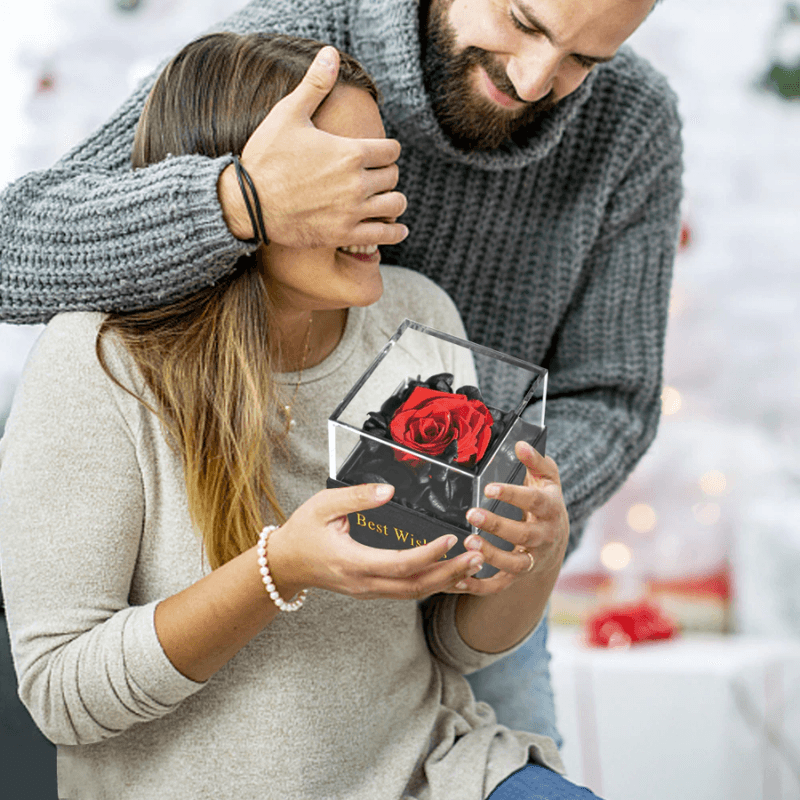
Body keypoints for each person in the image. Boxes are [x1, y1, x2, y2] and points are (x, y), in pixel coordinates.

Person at [0, 0, 683, 743]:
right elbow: (14, 249)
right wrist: (242, 202)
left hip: (460, 584)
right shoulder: (295, 53)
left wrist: (491, 511)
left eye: (586, 61)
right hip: (235, 538)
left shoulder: (631, 122)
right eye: (523, 22)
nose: (535, 79)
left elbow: (613, 394)